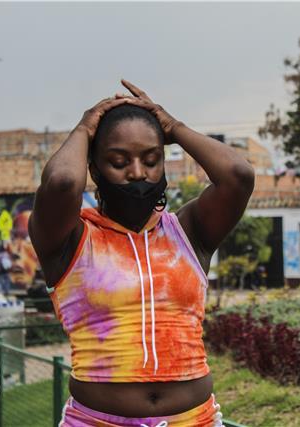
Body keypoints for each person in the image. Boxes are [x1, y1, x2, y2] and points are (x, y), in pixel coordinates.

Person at [28, 79, 254, 426]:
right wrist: (85, 128)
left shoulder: (189, 231)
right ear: (94, 168)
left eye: (151, 160)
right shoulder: (69, 239)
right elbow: (61, 183)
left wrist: (173, 127)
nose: (137, 173)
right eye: (119, 161)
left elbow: (238, 176)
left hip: (195, 420)